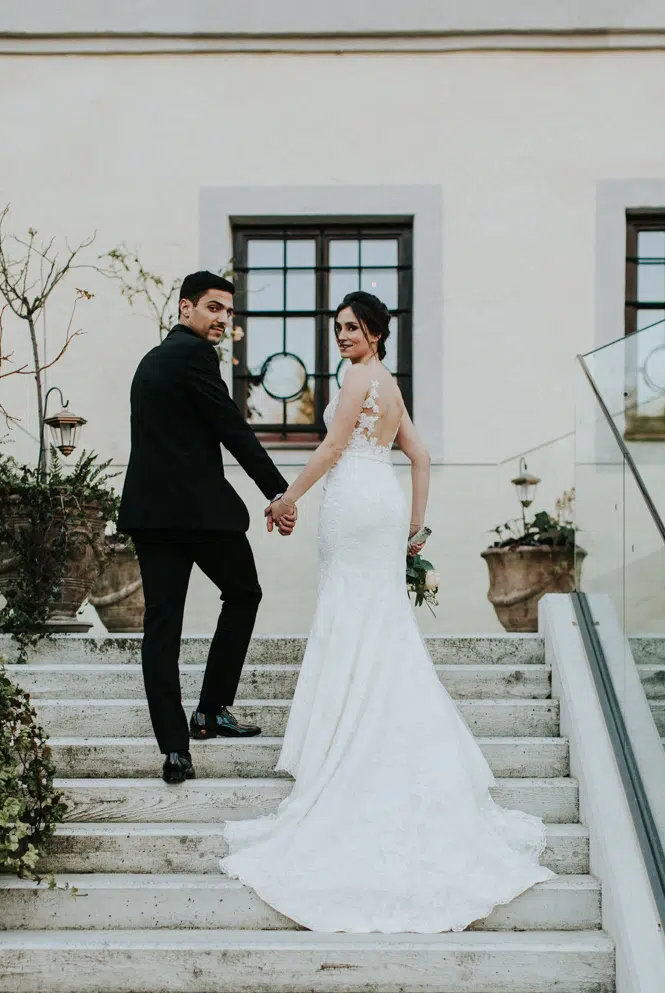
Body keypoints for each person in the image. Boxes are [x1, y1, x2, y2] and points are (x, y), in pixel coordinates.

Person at [220, 290, 554, 933]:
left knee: (351, 612)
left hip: (353, 502)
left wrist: (281, 501)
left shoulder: (356, 381)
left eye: (351, 327)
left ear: (373, 332)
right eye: (337, 328)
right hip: (386, 502)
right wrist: (418, 524)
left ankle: (346, 741)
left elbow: (327, 451)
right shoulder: (391, 386)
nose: (341, 336)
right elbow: (421, 456)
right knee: (379, 619)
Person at [117, 271, 296, 785]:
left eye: (227, 312)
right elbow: (230, 427)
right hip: (199, 516)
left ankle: (175, 750)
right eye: (213, 308)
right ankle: (211, 709)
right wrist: (278, 494)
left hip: (152, 518)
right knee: (244, 592)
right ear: (185, 308)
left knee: (162, 629)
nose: (221, 319)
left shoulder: (151, 361)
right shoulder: (195, 356)